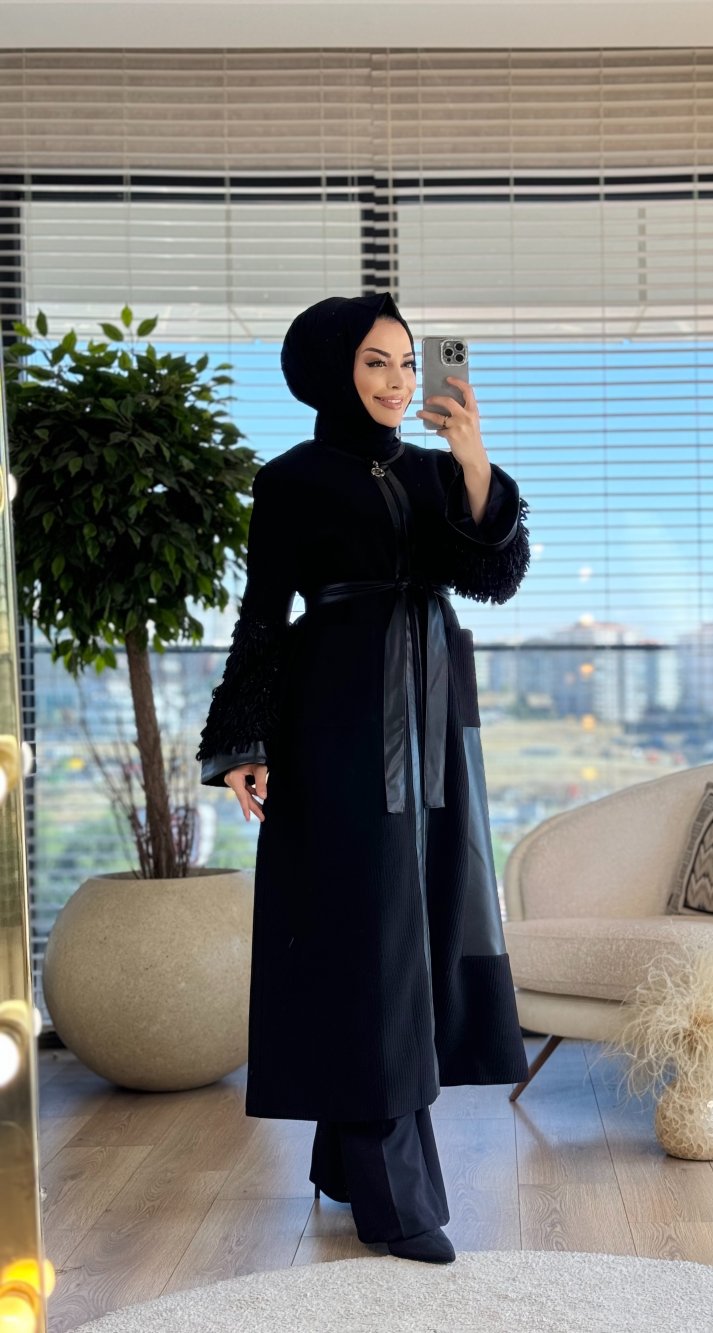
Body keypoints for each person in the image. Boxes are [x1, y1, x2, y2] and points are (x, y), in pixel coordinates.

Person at [195, 293, 531, 1265]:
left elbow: (494, 573)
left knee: (415, 919)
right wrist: (243, 739)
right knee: (368, 931)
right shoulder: (290, 479)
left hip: (433, 712)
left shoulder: (431, 471)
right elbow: (263, 612)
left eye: (408, 362)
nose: (398, 380)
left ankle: (345, 1160)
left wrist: (471, 454)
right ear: (332, 369)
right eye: (377, 362)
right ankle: (397, 1200)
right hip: (337, 712)